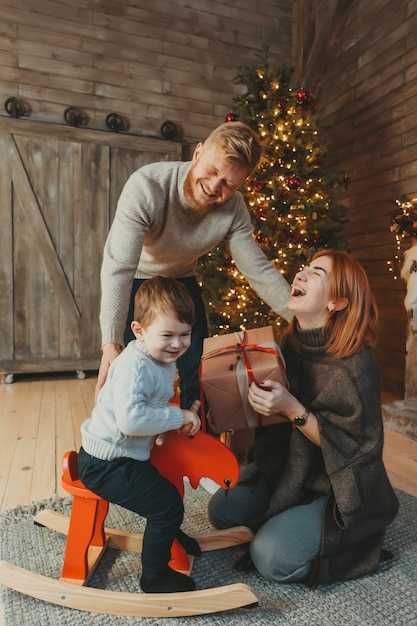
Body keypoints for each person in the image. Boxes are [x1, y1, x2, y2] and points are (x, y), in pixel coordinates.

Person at [208, 249, 399, 588]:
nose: (300, 275)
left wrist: (293, 410)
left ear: (336, 302)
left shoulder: (357, 367)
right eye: (305, 268)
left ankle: (352, 543)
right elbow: (273, 427)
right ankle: (288, 513)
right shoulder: (289, 343)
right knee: (221, 512)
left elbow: (356, 453)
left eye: (317, 274)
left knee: (270, 557)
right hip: (290, 471)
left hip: (337, 490)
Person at [96, 121, 292, 407]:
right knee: (131, 366)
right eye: (212, 171)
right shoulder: (147, 186)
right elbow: (119, 267)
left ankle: (194, 428)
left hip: (181, 277)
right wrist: (110, 343)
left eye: (228, 183)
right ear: (197, 153)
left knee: (195, 365)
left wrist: (303, 319)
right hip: (136, 277)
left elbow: (258, 270)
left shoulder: (234, 209)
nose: (215, 187)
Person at [78, 276, 201, 594]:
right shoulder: (136, 366)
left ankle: (168, 533)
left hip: (126, 455)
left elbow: (152, 405)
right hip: (106, 463)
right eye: (168, 335)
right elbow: (132, 420)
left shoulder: (160, 358)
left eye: (185, 334)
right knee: (166, 505)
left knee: (169, 487)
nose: (178, 344)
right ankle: (154, 578)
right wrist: (179, 416)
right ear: (139, 331)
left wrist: (178, 417)